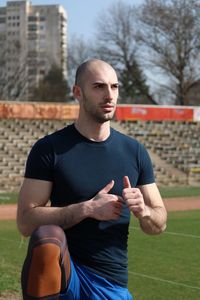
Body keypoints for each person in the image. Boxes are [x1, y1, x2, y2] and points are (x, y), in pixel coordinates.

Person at [17, 58, 167, 300]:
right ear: (78, 92)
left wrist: (145, 212)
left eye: (114, 87)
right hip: (66, 276)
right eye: (99, 87)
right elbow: (25, 222)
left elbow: (160, 222)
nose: (109, 95)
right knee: (47, 239)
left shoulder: (135, 151)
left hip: (110, 281)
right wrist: (87, 208)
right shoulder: (49, 149)